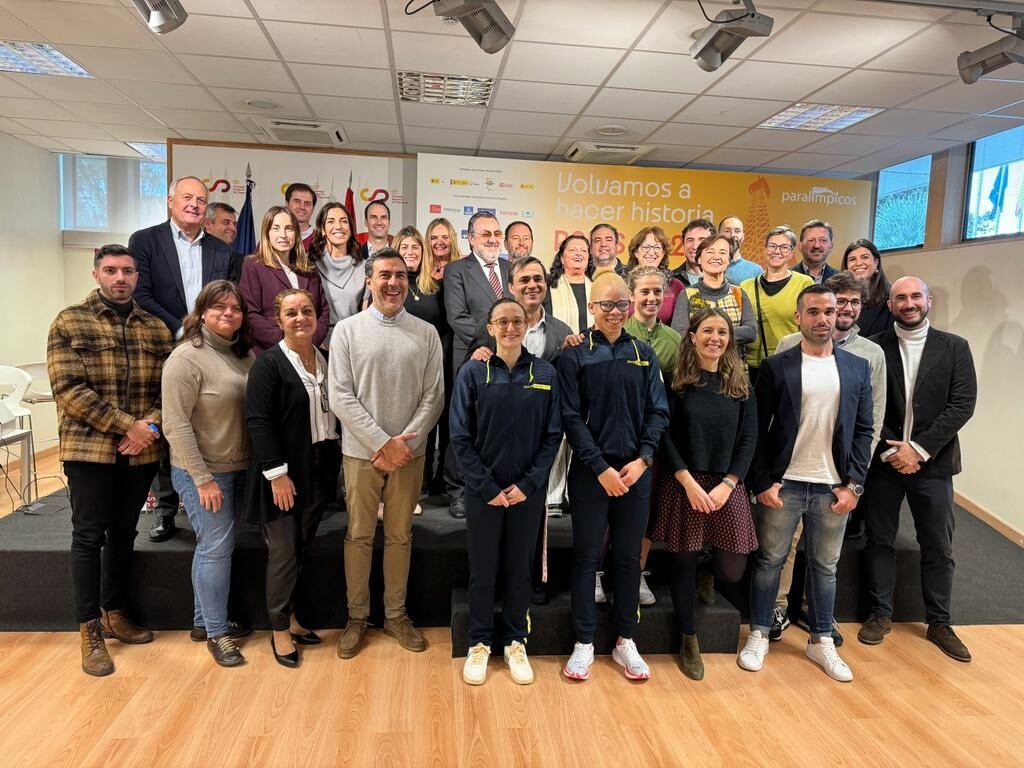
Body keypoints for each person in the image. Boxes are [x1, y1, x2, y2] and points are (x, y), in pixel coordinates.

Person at [47, 244, 174, 676]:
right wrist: (127, 426)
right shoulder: (69, 322)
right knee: (88, 536)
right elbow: (69, 390)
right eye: (111, 270)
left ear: (137, 276)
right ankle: (89, 628)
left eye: (128, 271)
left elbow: (169, 390)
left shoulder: (155, 328)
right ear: (96, 274)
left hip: (141, 451)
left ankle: (114, 611)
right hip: (89, 449)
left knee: (123, 533)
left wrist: (148, 427)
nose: (120, 278)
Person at [738, 285, 873, 683]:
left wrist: (854, 484)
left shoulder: (856, 367)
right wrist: (762, 481)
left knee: (825, 567)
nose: (822, 318)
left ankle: (821, 639)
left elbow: (864, 430)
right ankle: (759, 632)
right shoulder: (777, 366)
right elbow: (756, 429)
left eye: (829, 311)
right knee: (770, 562)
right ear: (798, 317)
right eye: (813, 311)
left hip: (833, 487)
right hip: (786, 484)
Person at [330, 249, 444, 660]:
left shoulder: (426, 333)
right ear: (369, 281)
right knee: (359, 536)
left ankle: (395, 615)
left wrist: (402, 447)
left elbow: (434, 397)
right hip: (361, 454)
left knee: (399, 536)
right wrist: (381, 443)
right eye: (384, 275)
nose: (393, 283)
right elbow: (340, 395)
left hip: (409, 456)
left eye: (400, 275)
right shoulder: (347, 331)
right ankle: (357, 617)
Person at [860, 276, 977, 663]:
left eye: (915, 296)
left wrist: (919, 449)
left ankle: (940, 622)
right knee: (879, 540)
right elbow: (867, 403)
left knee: (938, 546)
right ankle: (880, 614)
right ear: (889, 305)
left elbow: (962, 404)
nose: (908, 303)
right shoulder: (875, 347)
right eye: (900, 298)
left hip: (934, 463)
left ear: (929, 300)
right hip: (885, 462)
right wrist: (894, 449)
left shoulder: (954, 347)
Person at [559, 271, 669, 682]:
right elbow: (570, 417)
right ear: (592, 307)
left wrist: (643, 460)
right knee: (587, 557)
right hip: (592, 473)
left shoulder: (643, 352)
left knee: (627, 558)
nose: (615, 311)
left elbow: (658, 411)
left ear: (630, 306)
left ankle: (626, 639)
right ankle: (584, 641)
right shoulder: (575, 355)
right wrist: (600, 467)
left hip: (635, 472)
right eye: (606, 304)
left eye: (622, 304)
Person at [452, 298, 562, 686]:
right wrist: (486, 487)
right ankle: (480, 642)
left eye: (517, 320)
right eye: (503, 322)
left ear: (527, 324)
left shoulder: (545, 373)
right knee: (483, 571)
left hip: (526, 494)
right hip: (484, 493)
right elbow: (459, 436)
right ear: (491, 328)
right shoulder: (472, 373)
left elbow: (553, 436)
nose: (511, 327)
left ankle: (516, 640)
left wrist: (528, 484)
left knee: (519, 571)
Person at [772, 270, 887, 640]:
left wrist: (855, 479)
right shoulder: (789, 344)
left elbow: (872, 421)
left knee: (825, 556)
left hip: (838, 473)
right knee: (784, 547)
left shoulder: (870, 354)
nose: (844, 310)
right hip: (791, 467)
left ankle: (816, 615)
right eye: (839, 303)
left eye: (853, 303)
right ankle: (777, 609)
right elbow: (774, 410)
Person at [652, 309, 757, 680]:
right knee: (682, 561)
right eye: (708, 330)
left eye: (723, 332)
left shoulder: (740, 383)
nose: (716, 338)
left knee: (733, 568)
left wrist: (729, 484)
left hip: (727, 484)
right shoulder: (674, 382)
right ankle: (688, 638)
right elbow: (663, 435)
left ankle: (706, 571)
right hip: (685, 482)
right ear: (692, 336)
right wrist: (687, 481)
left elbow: (749, 439)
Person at [130, 176, 234, 543]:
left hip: (212, 348)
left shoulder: (221, 250)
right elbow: (142, 294)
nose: (194, 204)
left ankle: (206, 492)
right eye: (187, 197)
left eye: (201, 200)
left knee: (206, 419)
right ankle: (165, 509)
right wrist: (183, 329)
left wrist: (209, 331)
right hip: (164, 345)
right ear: (170, 201)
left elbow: (227, 298)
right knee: (168, 423)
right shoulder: (146, 241)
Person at [244, 288, 341, 668]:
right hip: (283, 474)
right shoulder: (268, 364)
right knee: (284, 553)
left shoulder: (326, 358)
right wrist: (277, 475)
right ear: (278, 320)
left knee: (300, 548)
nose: (300, 318)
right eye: (291, 313)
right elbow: (259, 422)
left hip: (318, 467)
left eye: (306, 311)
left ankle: (292, 617)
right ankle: (279, 628)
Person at [465, 257, 572, 598]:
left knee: (532, 528)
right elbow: (472, 378)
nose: (532, 285)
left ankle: (531, 586)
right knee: (489, 544)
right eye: (524, 279)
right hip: (494, 449)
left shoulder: (562, 332)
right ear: (511, 286)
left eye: (538, 279)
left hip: (536, 446)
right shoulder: (488, 327)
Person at [161, 280, 254, 668]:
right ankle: (217, 633)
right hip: (203, 472)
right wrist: (202, 478)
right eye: (219, 307)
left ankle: (204, 622)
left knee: (215, 546)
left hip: (237, 468)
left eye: (235, 308)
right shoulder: (186, 358)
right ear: (201, 313)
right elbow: (175, 424)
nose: (228, 313)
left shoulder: (242, 354)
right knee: (216, 548)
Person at [442, 212, 510, 518]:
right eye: (486, 234)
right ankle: (458, 491)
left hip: (508, 360)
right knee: (464, 425)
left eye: (497, 233)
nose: (493, 239)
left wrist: (508, 347)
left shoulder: (511, 269)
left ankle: (491, 484)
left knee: (494, 424)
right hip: (472, 355)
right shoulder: (457, 270)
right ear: (471, 239)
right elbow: (457, 317)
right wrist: (495, 341)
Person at [624, 265, 682, 607]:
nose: (650, 298)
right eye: (644, 291)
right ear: (631, 296)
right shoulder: (618, 330)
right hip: (619, 436)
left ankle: (636, 573)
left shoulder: (673, 341)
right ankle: (603, 570)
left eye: (657, 292)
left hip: (654, 438)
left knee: (646, 508)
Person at [395, 225, 451, 499]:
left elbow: (447, 326)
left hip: (436, 363)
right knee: (411, 424)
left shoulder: (436, 285)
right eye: (404, 247)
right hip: (403, 367)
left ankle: (436, 479)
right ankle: (417, 481)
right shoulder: (392, 286)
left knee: (436, 420)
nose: (410, 252)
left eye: (415, 247)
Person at [239, 206, 330, 354]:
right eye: (276, 228)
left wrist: (309, 341)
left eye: (289, 229)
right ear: (267, 233)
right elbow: (250, 315)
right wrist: (290, 342)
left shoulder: (309, 268)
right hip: (271, 353)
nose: (283, 235)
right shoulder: (253, 265)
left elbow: (323, 312)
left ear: (296, 233)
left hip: (308, 350)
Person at [740, 226, 814, 383]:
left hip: (790, 364)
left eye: (784, 247)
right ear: (765, 250)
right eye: (772, 246)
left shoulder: (804, 283)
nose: (777, 251)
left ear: (791, 252)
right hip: (753, 368)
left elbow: (810, 326)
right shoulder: (746, 286)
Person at [669, 235, 756, 355]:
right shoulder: (687, 294)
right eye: (710, 252)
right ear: (699, 259)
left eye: (723, 252)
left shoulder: (738, 293)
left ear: (729, 260)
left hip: (733, 364)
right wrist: (723, 334)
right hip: (697, 364)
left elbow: (750, 331)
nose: (716, 257)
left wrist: (705, 335)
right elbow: (680, 334)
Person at [309, 202, 364, 345]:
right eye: (331, 221)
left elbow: (367, 315)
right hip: (319, 342)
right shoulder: (310, 267)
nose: (338, 226)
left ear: (350, 228)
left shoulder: (363, 267)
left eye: (344, 221)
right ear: (322, 230)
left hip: (355, 340)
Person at [624, 226, 685, 325]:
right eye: (646, 247)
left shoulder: (676, 286)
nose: (651, 252)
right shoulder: (620, 284)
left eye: (657, 247)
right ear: (636, 252)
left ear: (663, 253)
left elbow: (681, 326)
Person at [842, 239, 895, 337]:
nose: (858, 263)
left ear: (876, 263)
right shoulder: (835, 298)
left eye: (865, 257)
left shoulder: (892, 298)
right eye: (852, 259)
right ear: (846, 267)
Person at [548, 234, 594, 334]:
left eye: (583, 251)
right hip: (557, 343)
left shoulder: (598, 287)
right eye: (573, 250)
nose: (578, 253)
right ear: (562, 258)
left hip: (593, 343)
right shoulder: (548, 286)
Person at [204, 202, 244, 283]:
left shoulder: (240, 260)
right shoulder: (195, 253)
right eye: (226, 223)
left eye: (234, 224)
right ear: (208, 224)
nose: (233, 228)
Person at [719, 216, 763, 285]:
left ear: (743, 237)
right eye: (727, 231)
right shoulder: (707, 265)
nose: (732, 235)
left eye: (737, 231)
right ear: (718, 235)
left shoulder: (756, 271)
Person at [671, 219, 715, 287]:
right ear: (683, 244)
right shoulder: (670, 280)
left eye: (702, 240)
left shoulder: (726, 278)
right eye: (690, 240)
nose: (695, 246)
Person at [793, 219, 839, 284]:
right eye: (811, 240)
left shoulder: (840, 279)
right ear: (800, 246)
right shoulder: (787, 277)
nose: (817, 246)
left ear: (831, 246)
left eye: (823, 240)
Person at [285, 182, 317, 251]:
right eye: (297, 201)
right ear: (287, 204)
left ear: (313, 209)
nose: (302, 207)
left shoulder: (322, 242)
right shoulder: (274, 241)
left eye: (307, 203)